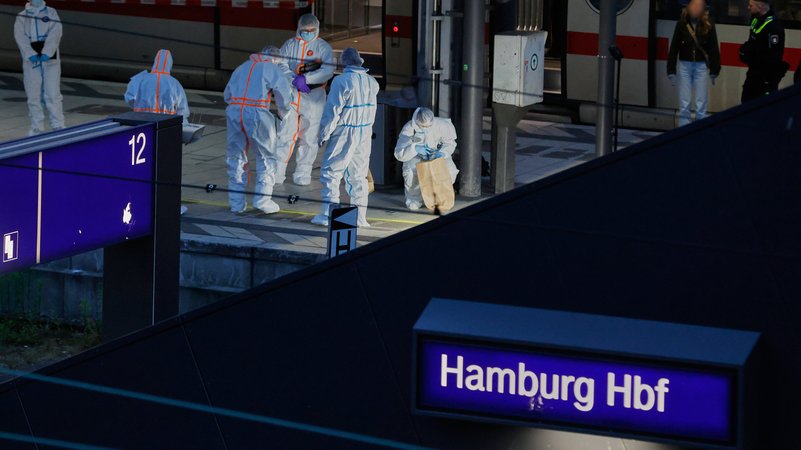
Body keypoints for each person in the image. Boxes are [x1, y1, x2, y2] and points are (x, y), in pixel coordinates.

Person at [311, 48, 379, 228]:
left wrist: (324, 134)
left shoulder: (341, 81)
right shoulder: (372, 82)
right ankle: (360, 218)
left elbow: (332, 111)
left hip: (345, 132)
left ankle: (329, 215)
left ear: (344, 63)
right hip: (364, 133)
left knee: (331, 173)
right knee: (358, 176)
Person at [224, 46, 293, 214]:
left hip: (234, 112)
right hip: (257, 114)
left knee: (236, 156)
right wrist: (284, 114)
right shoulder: (271, 68)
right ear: (275, 59)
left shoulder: (242, 67)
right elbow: (284, 96)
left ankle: (236, 203)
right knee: (266, 156)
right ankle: (262, 201)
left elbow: (227, 95)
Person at [279, 13, 335, 186]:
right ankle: (277, 173)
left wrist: (308, 79)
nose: (308, 32)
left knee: (309, 137)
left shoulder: (323, 48)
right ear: (299, 29)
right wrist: (292, 79)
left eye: (312, 30)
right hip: (292, 94)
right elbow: (280, 64)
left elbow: (328, 70)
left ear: (317, 28)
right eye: (305, 30)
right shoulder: (289, 45)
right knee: (286, 134)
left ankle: (303, 173)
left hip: (314, 97)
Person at [666, 0, 720, 127]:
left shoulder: (708, 24)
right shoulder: (682, 24)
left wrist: (714, 69)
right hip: (685, 65)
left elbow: (713, 48)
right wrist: (671, 70)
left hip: (701, 66)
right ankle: (684, 130)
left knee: (701, 102)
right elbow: (674, 48)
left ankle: (700, 130)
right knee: (684, 102)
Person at [14, 0, 64, 136]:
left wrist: (48, 51)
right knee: (33, 94)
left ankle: (58, 124)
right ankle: (37, 126)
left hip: (50, 59)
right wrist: (29, 53)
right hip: (31, 60)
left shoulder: (51, 12)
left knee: (52, 93)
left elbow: (56, 32)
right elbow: (20, 36)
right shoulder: (22, 16)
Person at [393, 107, 459, 211]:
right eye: (423, 126)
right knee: (410, 173)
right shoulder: (409, 128)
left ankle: (439, 196)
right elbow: (399, 154)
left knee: (450, 171)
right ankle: (414, 199)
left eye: (429, 126)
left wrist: (442, 153)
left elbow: (450, 143)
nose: (426, 128)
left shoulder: (442, 125)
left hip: (437, 155)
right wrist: (415, 148)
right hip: (416, 157)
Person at [124, 49, 190, 123]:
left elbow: (129, 99)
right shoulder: (175, 83)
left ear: (155, 61)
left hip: (141, 120)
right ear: (170, 64)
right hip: (165, 123)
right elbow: (182, 110)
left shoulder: (140, 79)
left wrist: (139, 107)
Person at [740, 0, 787, 102]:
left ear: (760, 6)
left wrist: (751, 55)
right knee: (746, 104)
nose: (748, 7)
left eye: (751, 5)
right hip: (753, 75)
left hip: (766, 80)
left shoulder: (774, 27)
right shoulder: (756, 20)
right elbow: (751, 43)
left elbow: (773, 57)